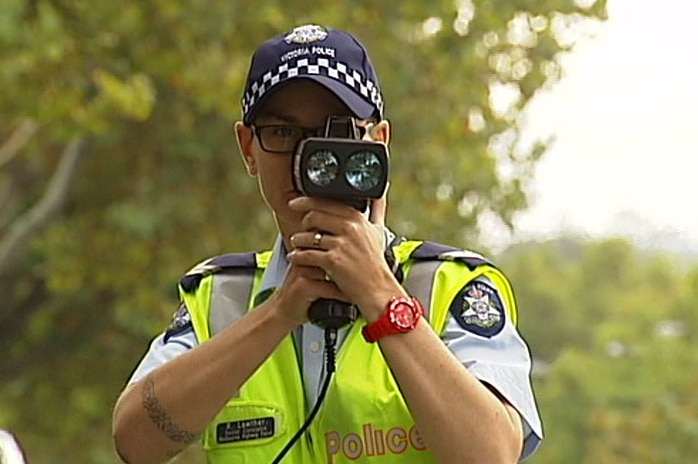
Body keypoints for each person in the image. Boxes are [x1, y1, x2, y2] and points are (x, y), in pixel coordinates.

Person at [112, 24, 543, 464]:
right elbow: (135, 443)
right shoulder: (222, 297)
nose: (309, 156)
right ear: (248, 148)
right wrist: (281, 310)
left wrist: (380, 294)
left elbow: (493, 455)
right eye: (283, 133)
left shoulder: (447, 285)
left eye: (333, 132)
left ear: (378, 143)